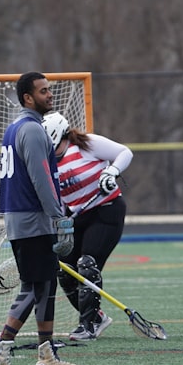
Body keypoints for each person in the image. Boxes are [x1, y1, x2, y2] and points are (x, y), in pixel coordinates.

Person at [0, 72, 86, 365]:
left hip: (23, 216)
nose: (50, 95)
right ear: (28, 97)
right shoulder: (31, 130)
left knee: (43, 284)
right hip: (32, 218)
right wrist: (59, 217)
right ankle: (0, 349)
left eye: (49, 90)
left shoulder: (17, 127)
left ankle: (46, 354)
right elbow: (41, 178)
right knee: (33, 285)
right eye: (43, 91)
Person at [42, 111, 133, 341]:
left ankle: (88, 326)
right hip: (78, 217)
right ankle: (98, 317)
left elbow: (124, 152)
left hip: (107, 210)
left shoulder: (85, 144)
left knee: (87, 264)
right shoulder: (47, 162)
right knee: (65, 269)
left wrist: (111, 172)